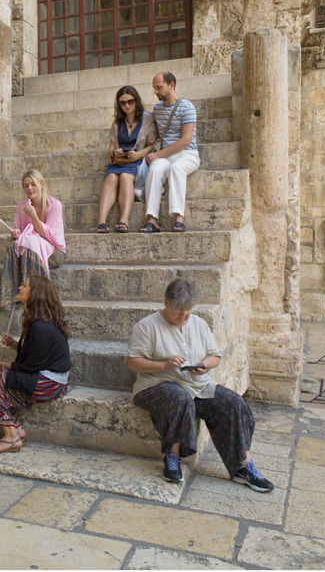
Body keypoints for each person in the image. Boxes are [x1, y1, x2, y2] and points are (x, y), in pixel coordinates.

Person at [125, 279, 274, 492]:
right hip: (156, 384)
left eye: (187, 311)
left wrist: (204, 365)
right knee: (179, 397)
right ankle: (172, 457)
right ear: (165, 302)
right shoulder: (146, 326)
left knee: (233, 403)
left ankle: (243, 466)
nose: (183, 316)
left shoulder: (198, 323)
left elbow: (215, 356)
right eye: (178, 310)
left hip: (197, 384)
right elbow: (132, 362)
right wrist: (163, 365)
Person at [0, 276, 70, 453]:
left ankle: (11, 436)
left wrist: (0, 363)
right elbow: (35, 355)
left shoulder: (41, 326)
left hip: (49, 383)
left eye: (25, 286)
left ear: (35, 294)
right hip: (42, 376)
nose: (20, 288)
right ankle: (14, 427)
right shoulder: (37, 320)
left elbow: (30, 366)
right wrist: (15, 345)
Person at [140, 71, 199, 233]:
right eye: (154, 88)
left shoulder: (187, 107)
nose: (155, 92)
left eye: (159, 87)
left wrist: (157, 155)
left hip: (188, 154)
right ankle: (152, 219)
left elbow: (185, 140)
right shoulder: (157, 109)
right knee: (154, 169)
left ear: (171, 85)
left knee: (176, 169)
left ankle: (179, 218)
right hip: (166, 155)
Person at [0, 169, 66, 309]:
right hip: (30, 247)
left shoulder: (54, 205)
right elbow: (18, 232)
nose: (29, 188)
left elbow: (51, 237)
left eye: (33, 184)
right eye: (26, 185)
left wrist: (33, 216)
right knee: (13, 246)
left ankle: (36, 298)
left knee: (31, 241)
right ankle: (12, 295)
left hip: (53, 253)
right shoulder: (22, 206)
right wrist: (16, 234)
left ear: (42, 184)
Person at [96, 85, 158, 233]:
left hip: (136, 161)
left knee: (125, 177)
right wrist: (115, 153)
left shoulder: (147, 119)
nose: (127, 105)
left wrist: (138, 154)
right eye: (122, 103)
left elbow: (152, 145)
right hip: (119, 161)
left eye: (130, 101)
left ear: (137, 101)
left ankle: (124, 219)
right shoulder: (117, 122)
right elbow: (110, 147)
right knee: (111, 177)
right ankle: (102, 222)